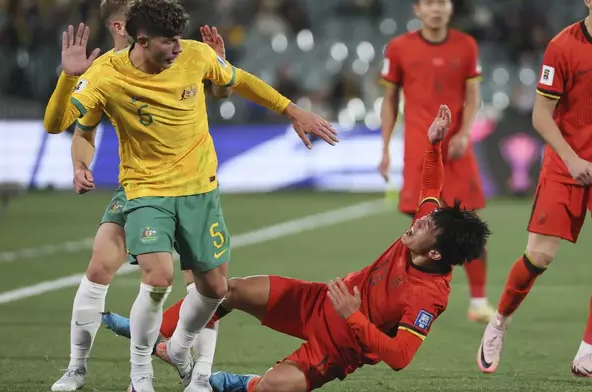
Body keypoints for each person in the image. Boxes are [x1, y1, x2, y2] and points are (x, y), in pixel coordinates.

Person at [43, 0, 339, 391]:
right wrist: (68, 79)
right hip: (146, 189)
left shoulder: (194, 55)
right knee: (155, 275)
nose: (179, 48)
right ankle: (135, 376)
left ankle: (181, 350)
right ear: (140, 37)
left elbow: (238, 82)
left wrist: (291, 110)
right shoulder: (104, 75)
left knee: (215, 288)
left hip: (200, 190)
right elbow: (59, 125)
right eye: (170, 42)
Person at [102, 105, 492, 392]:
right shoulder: (426, 231)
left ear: (436, 254)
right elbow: (430, 188)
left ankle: (233, 383)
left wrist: (354, 317)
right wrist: (434, 145)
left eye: (427, 225)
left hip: (339, 347)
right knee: (227, 290)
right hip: (319, 300)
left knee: (273, 387)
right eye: (426, 217)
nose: (420, 219)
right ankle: (165, 340)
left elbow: (401, 357)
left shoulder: (429, 297)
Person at [48, 2, 233, 391]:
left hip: (188, 183)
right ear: (123, 25)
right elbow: (81, 130)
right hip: (139, 186)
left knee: (200, 279)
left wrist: (219, 72)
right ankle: (77, 368)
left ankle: (198, 371)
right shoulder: (104, 72)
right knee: (101, 266)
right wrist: (80, 166)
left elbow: (217, 92)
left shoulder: (172, 55)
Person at [477, 5, 592, 377]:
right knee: (539, 257)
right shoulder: (563, 46)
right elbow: (541, 114)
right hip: (566, 164)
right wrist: (572, 159)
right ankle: (499, 322)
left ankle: (588, 352)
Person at [378, 0, 494, 322]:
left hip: (456, 150)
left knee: (470, 224)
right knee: (417, 232)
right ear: (417, 9)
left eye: (441, 2)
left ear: (451, 7)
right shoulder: (399, 48)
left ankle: (479, 302)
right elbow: (389, 101)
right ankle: (405, 300)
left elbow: (472, 97)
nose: (436, 9)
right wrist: (385, 148)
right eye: (428, 2)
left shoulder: (466, 45)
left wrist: (465, 133)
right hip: (419, 150)